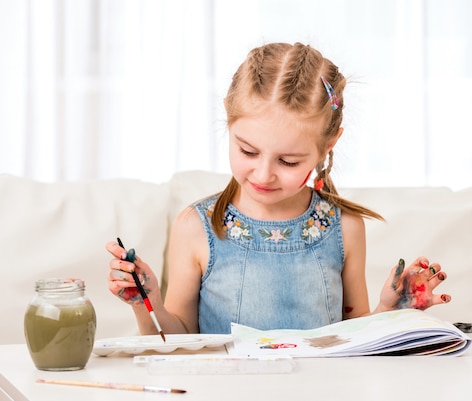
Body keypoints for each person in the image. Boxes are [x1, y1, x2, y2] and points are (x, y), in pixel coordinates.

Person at [105, 42, 451, 335]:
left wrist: (391, 311)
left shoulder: (344, 227)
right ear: (228, 119)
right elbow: (180, 339)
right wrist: (144, 301)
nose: (264, 173)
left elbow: (352, 335)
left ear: (328, 144)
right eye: (248, 151)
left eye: (288, 162)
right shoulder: (196, 228)